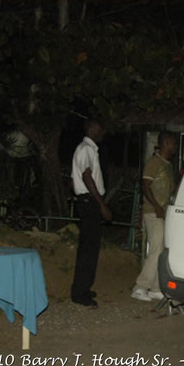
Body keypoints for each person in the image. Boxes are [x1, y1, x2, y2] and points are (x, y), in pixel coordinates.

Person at [131, 131, 178, 302]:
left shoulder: (167, 164)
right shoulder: (154, 162)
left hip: (163, 213)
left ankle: (156, 288)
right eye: (173, 143)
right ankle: (140, 287)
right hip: (153, 211)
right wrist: (157, 207)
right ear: (165, 143)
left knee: (161, 250)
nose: (175, 147)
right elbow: (145, 186)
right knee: (156, 250)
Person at [70, 119, 112, 308]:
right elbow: (87, 176)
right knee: (88, 249)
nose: (102, 131)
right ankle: (79, 293)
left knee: (89, 247)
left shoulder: (85, 148)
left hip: (86, 201)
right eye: (100, 127)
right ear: (92, 128)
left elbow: (74, 180)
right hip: (90, 202)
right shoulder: (86, 148)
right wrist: (101, 204)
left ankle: (83, 287)